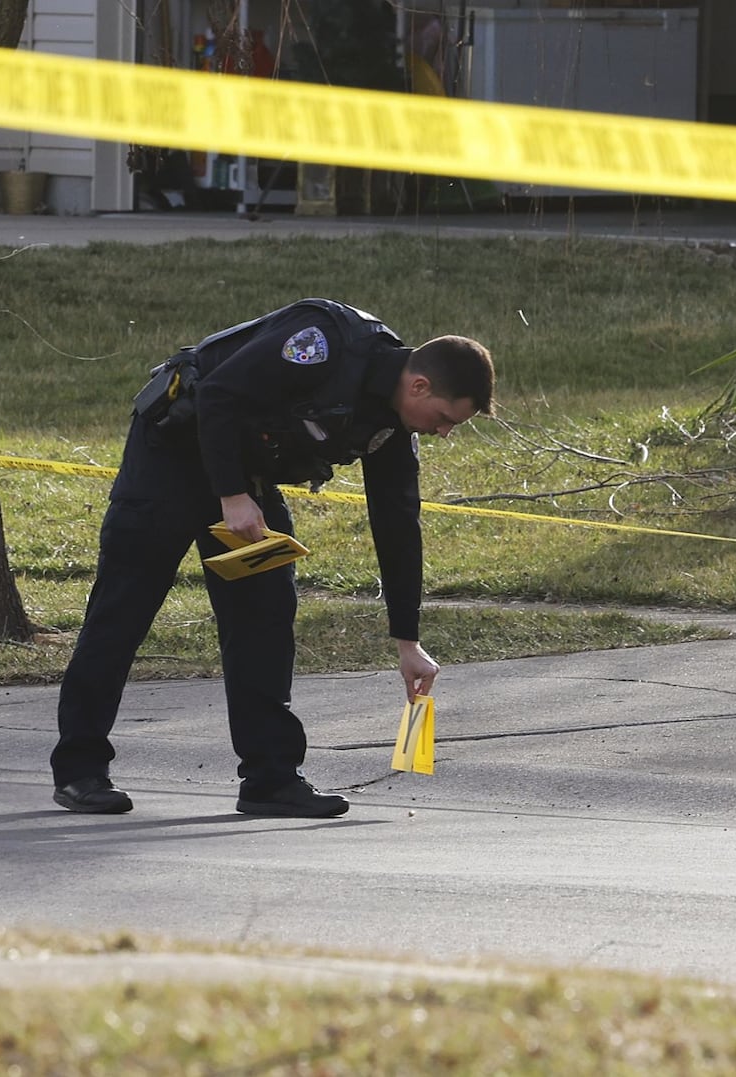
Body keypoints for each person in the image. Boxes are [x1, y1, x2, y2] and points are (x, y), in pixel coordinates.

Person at [51, 298, 494, 818]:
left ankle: (270, 779)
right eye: (444, 419)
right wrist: (232, 494)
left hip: (247, 478)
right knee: (122, 612)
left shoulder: (394, 423)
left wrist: (407, 641)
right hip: (171, 455)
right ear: (419, 385)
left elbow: (398, 524)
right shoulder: (324, 341)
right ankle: (80, 771)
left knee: (264, 618)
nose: (442, 432)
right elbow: (216, 395)